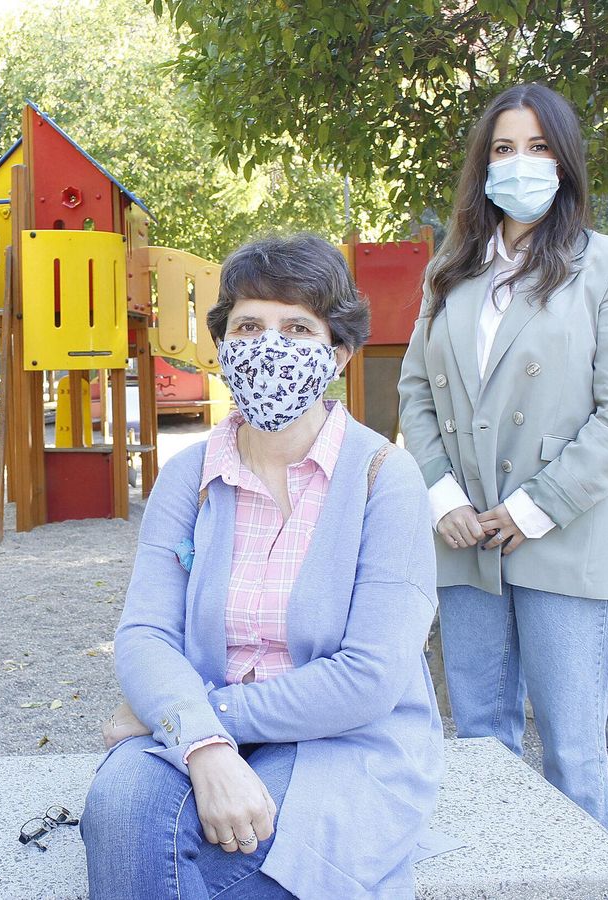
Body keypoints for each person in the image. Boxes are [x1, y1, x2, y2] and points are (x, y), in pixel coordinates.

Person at [85, 234, 444, 899]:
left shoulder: (383, 480)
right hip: (191, 731)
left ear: (337, 352)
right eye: (249, 325)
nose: (268, 346)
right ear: (223, 345)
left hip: (339, 742)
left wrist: (202, 716)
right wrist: (204, 743)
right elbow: (145, 635)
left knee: (227, 872)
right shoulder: (189, 476)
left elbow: (367, 679)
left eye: (297, 327)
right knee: (118, 813)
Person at [397, 83, 608, 829]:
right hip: (463, 536)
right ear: (484, 166)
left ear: (566, 161)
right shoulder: (449, 270)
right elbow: (416, 391)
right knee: (480, 742)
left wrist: (532, 507)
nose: (522, 163)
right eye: (505, 148)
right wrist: (440, 497)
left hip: (562, 533)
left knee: (574, 752)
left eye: (539, 147)